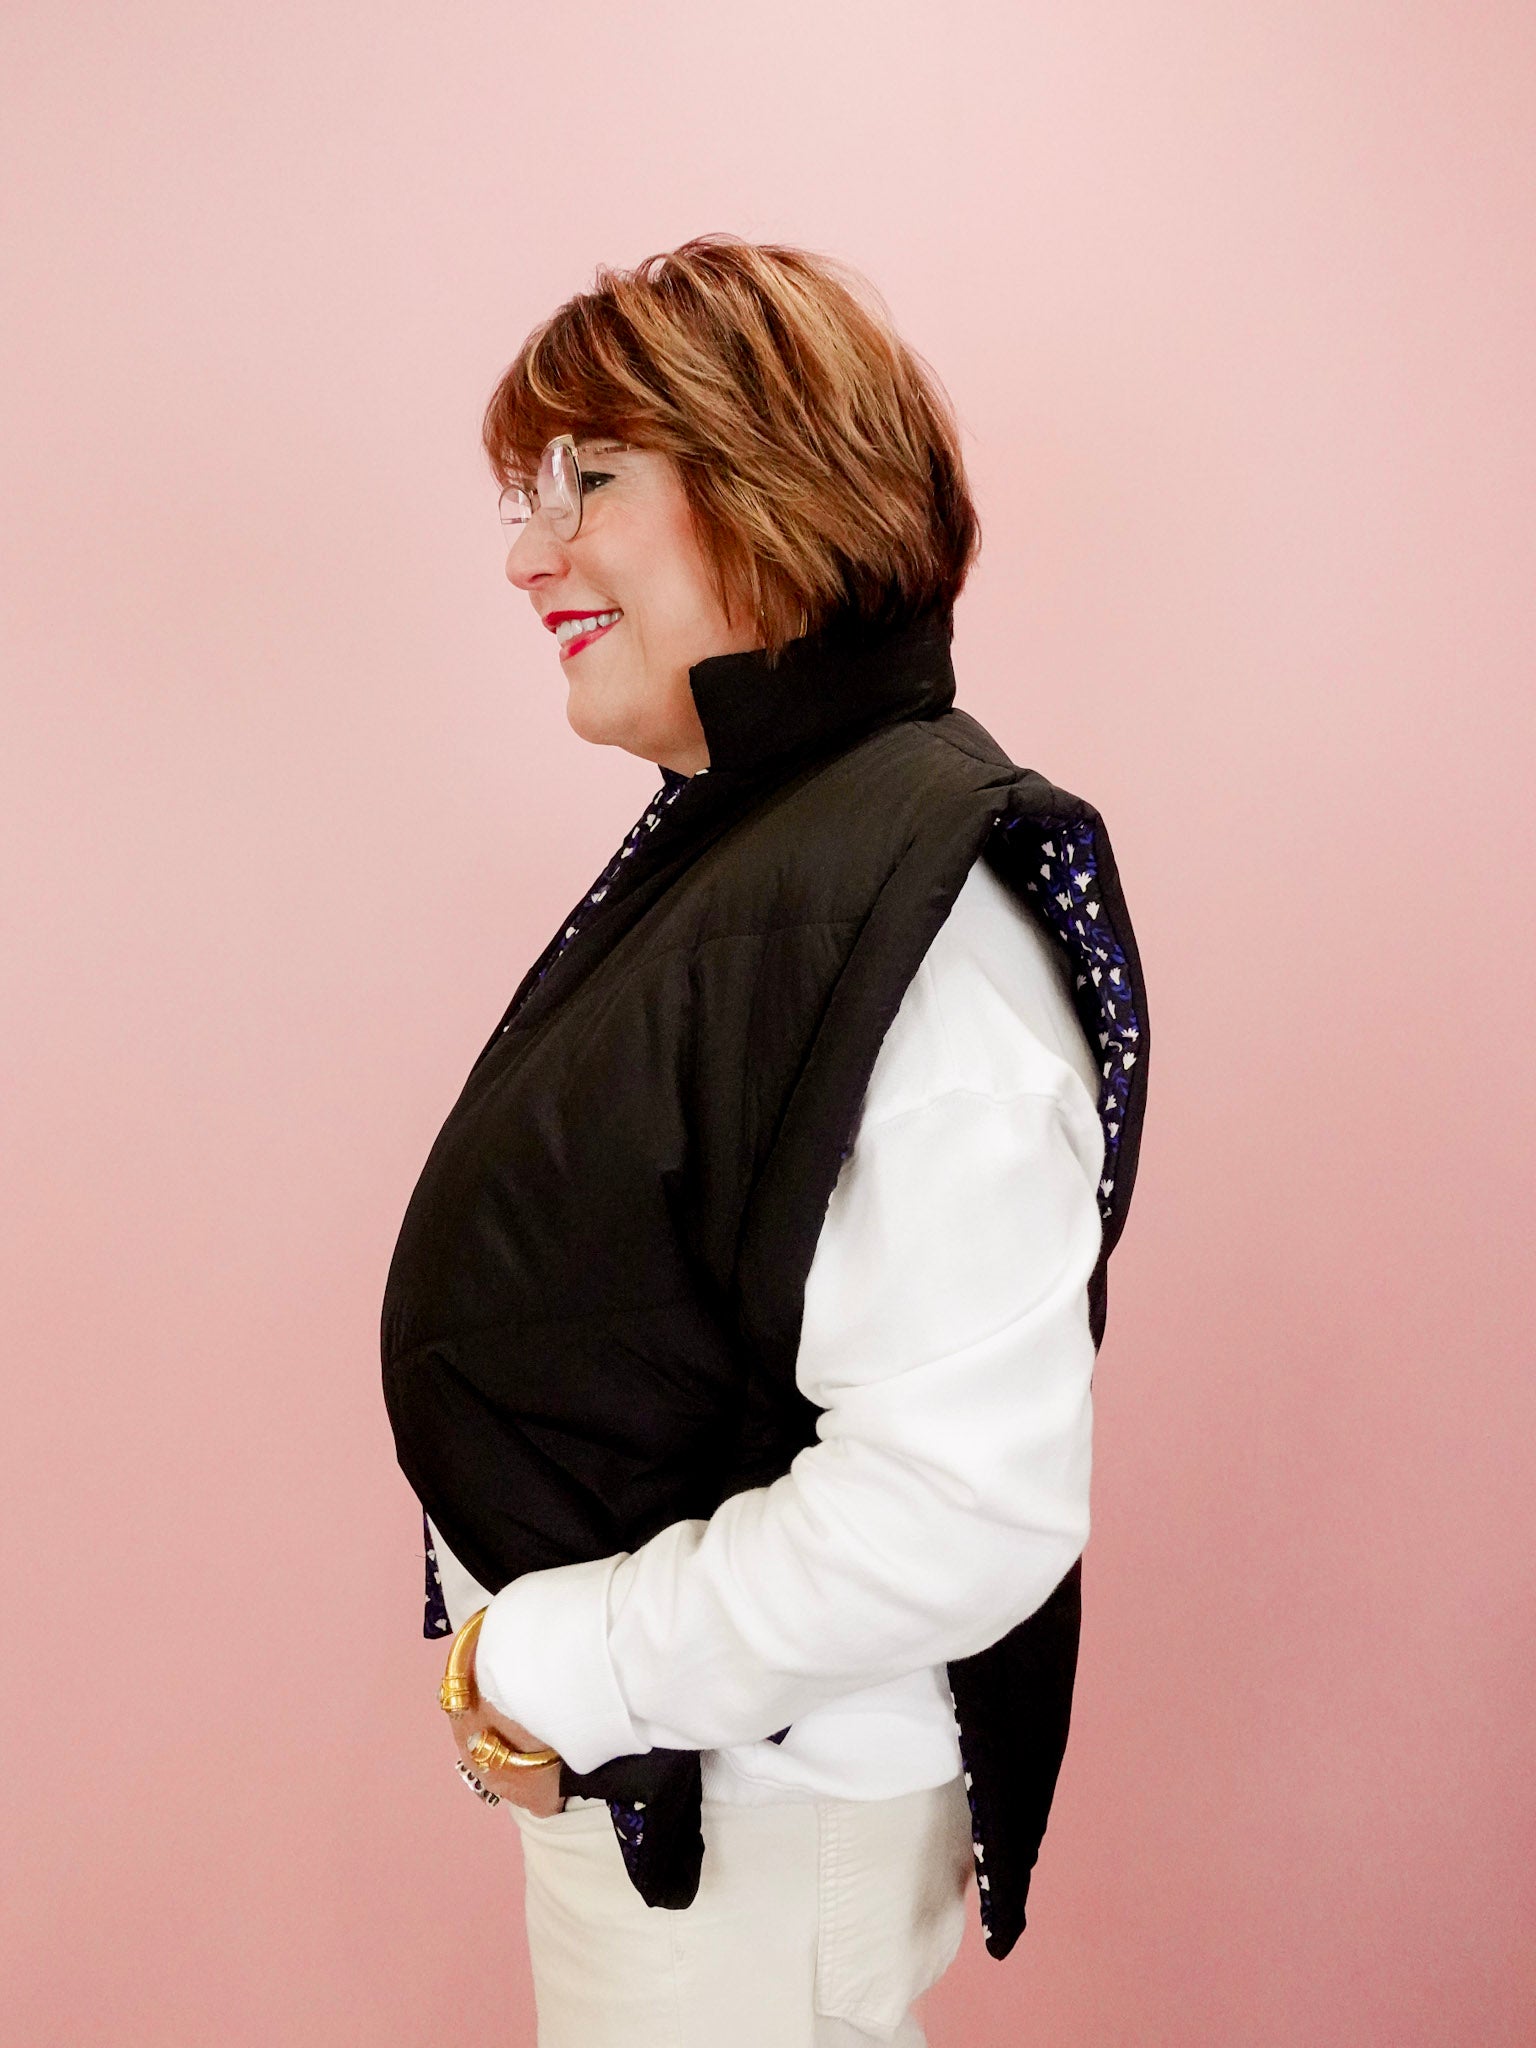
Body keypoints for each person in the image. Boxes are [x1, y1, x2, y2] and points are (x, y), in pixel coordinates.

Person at [380, 234, 1150, 2048]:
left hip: (747, 1830)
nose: (526, 553)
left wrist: (549, 1664)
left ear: (769, 478)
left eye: (591, 481)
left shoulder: (916, 913)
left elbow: (963, 1507)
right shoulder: (776, 837)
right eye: (526, 491)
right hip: (698, 1807)